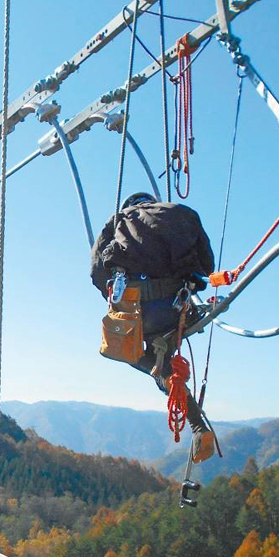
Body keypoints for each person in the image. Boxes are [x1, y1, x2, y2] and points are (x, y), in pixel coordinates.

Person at [92, 192, 216, 463]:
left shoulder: (117, 222)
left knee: (127, 352)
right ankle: (196, 426)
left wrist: (116, 298)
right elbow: (206, 267)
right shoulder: (182, 213)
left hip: (134, 309)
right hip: (175, 307)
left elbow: (97, 272)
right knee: (164, 355)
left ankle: (168, 383)